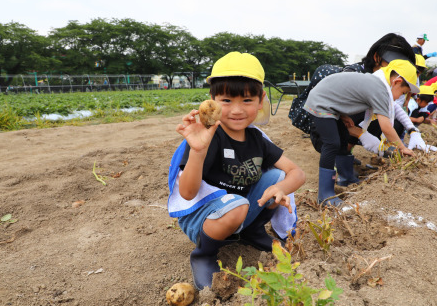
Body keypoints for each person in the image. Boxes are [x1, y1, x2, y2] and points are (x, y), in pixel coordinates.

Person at [167, 52, 306, 290]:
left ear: (261, 100)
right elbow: (188, 193)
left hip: (238, 210)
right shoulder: (208, 137)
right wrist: (198, 151)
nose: (237, 110)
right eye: (227, 100)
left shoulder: (256, 138)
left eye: (247, 100)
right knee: (237, 204)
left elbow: (297, 173)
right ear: (212, 100)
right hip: (202, 219)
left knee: (277, 176)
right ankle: (204, 254)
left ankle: (251, 232)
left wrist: (280, 188)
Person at [303, 59, 418, 206]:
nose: (398, 98)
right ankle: (325, 195)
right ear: (396, 81)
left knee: (344, 136)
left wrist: (343, 114)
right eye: (402, 93)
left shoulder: (377, 84)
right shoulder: (380, 89)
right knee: (331, 143)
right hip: (321, 102)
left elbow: (342, 92)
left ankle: (347, 177)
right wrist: (402, 147)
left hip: (330, 101)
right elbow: (386, 127)